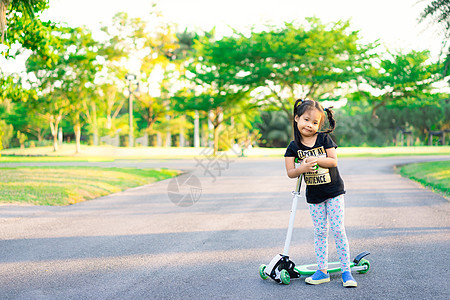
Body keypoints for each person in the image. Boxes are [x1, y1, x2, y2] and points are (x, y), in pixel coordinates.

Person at [284, 99, 357, 288]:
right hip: (314, 196)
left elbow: (333, 161)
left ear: (320, 125)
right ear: (297, 118)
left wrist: (315, 158)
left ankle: (346, 272)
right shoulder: (293, 147)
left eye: (315, 122)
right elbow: (291, 173)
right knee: (320, 232)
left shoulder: (324, 139)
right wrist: (302, 168)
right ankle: (322, 271)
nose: (310, 125)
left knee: (338, 229)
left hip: (334, 192)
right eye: (306, 120)